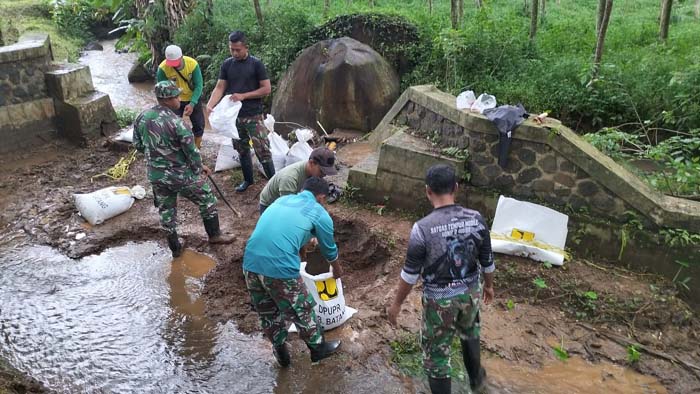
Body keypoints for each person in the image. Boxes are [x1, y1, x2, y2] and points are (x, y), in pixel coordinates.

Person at [386, 164, 495, 394]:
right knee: (470, 332)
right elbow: (487, 260)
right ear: (456, 187)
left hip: (439, 302)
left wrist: (396, 304)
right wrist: (490, 286)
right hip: (470, 293)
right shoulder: (476, 219)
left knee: (437, 355)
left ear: (428, 191)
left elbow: (410, 274)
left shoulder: (422, 229)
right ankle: (478, 382)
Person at [242, 177, 342, 367]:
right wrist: (337, 270)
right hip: (279, 268)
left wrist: (304, 246)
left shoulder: (282, 200)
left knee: (268, 311)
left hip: (251, 263)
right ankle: (318, 349)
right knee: (302, 309)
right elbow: (330, 250)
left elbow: (283, 231)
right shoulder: (319, 213)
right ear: (321, 197)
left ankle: (281, 353)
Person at [133, 81, 235, 258]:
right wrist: (198, 168)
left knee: (166, 210)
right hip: (179, 175)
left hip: (156, 175)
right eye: (177, 96)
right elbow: (191, 152)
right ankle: (215, 235)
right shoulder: (177, 123)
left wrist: (158, 158)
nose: (180, 99)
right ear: (168, 99)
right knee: (207, 198)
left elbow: (138, 145)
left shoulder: (142, 117)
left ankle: (175, 248)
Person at [206, 30, 275, 192]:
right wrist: (210, 105)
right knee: (241, 148)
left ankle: (274, 184)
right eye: (232, 49)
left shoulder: (256, 64)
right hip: (234, 117)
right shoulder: (227, 65)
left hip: (254, 115)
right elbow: (220, 87)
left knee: (263, 149)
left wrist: (244, 96)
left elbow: (266, 89)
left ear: (246, 47)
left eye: (238, 49)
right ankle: (248, 180)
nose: (235, 53)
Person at [258, 147, 337, 214]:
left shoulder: (312, 171)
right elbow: (288, 208)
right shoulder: (289, 178)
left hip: (290, 197)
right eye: (322, 171)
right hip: (270, 205)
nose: (324, 175)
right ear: (311, 163)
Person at [157, 45, 205, 149]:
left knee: (199, 124)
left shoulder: (192, 64)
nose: (173, 65)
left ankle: (196, 148)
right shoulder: (162, 69)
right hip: (173, 100)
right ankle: (176, 148)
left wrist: (192, 103)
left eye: (175, 62)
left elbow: (199, 85)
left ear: (181, 56)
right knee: (173, 126)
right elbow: (162, 91)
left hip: (192, 97)